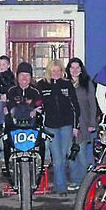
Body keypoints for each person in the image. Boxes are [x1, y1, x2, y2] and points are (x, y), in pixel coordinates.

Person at [38, 58, 80, 196]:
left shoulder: (67, 85)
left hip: (66, 125)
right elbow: (38, 104)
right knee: (57, 158)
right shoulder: (42, 85)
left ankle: (62, 183)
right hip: (50, 127)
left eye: (58, 70)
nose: (55, 73)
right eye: (53, 70)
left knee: (64, 156)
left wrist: (75, 126)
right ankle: (61, 187)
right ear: (49, 71)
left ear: (62, 72)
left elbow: (75, 107)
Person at [66, 57, 96, 189]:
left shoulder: (87, 83)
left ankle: (84, 183)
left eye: (77, 67)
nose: (75, 70)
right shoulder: (65, 83)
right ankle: (75, 180)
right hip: (67, 124)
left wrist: (92, 122)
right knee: (70, 154)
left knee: (82, 153)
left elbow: (92, 104)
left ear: (81, 69)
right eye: (72, 67)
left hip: (83, 122)